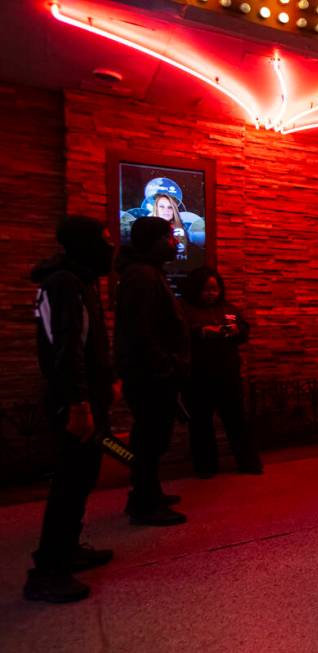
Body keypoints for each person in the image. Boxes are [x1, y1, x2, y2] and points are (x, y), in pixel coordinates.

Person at [24, 217, 116, 603]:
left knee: (82, 477)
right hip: (73, 399)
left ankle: (68, 549)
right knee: (69, 481)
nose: (111, 248)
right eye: (104, 240)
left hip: (86, 395)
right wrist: (78, 401)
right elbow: (66, 347)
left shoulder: (81, 280)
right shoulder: (64, 283)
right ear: (85, 244)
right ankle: (48, 570)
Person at [114, 217, 189, 526]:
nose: (175, 241)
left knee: (154, 437)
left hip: (151, 372)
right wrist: (164, 366)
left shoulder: (146, 272)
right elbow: (141, 331)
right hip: (150, 375)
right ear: (154, 241)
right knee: (149, 438)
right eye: (170, 236)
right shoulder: (143, 276)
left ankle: (149, 493)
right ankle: (144, 502)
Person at [179, 267, 262, 477]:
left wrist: (236, 330)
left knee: (237, 420)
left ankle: (248, 462)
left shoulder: (227, 308)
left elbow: (244, 330)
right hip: (197, 377)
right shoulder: (183, 309)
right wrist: (201, 332)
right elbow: (176, 336)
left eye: (215, 289)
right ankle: (206, 467)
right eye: (206, 289)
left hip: (228, 375)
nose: (211, 294)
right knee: (200, 424)